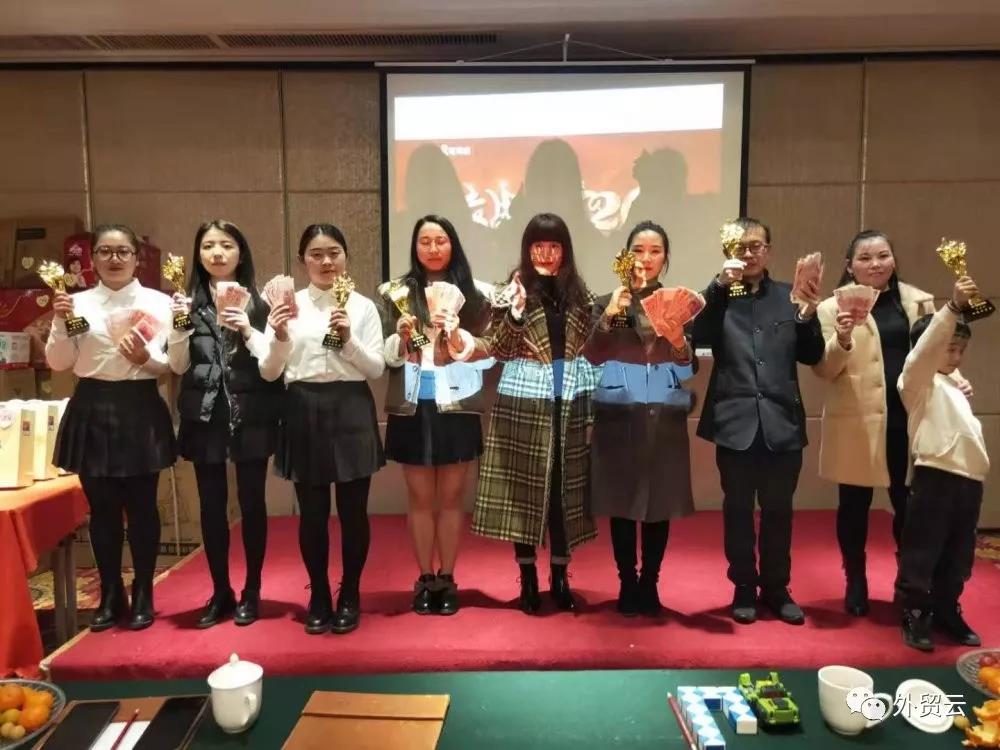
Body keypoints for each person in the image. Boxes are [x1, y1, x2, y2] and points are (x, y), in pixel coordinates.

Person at [453, 213, 601, 614]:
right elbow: (499, 348)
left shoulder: (581, 296)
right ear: (527, 249)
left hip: (571, 399)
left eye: (554, 246)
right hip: (524, 402)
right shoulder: (510, 292)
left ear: (565, 251)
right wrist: (517, 313)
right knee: (525, 491)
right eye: (538, 246)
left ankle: (560, 577)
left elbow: (594, 347)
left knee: (564, 493)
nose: (546, 254)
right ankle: (529, 577)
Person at [692, 217, 824, 625]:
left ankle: (777, 588)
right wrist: (718, 286)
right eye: (741, 246)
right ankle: (744, 587)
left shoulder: (790, 296)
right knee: (737, 511)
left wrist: (807, 315)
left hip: (782, 421)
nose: (748, 254)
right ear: (727, 249)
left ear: (768, 250)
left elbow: (812, 354)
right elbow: (699, 337)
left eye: (756, 246)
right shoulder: (717, 296)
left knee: (779, 511)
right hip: (735, 422)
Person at [46, 224, 179, 631]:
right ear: (92, 259)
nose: (114, 259)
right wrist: (60, 321)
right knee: (102, 510)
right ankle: (109, 592)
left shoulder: (161, 303)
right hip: (92, 404)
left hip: (140, 405)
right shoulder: (76, 303)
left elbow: (173, 365)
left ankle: (144, 592)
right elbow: (60, 362)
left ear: (138, 258)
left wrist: (144, 360)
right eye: (105, 251)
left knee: (142, 508)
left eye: (123, 251)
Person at [171, 220, 293, 628]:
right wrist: (177, 326)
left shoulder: (259, 304)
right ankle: (220, 590)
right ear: (198, 254)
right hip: (204, 415)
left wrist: (247, 328)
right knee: (211, 506)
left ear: (241, 253)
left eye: (226, 245)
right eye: (208, 245)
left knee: (252, 503)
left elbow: (273, 369)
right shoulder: (186, 305)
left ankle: (252, 590)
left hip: (251, 412)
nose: (217, 253)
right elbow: (177, 366)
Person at [813, 230, 937, 617]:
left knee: (910, 506)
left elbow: (937, 356)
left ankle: (910, 582)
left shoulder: (919, 302)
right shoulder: (831, 309)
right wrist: (842, 338)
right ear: (849, 266)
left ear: (894, 260)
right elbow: (824, 369)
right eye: (864, 258)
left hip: (909, 419)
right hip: (857, 419)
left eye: (883, 255)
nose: (875, 264)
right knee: (854, 505)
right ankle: (856, 579)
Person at [378, 215, 494, 615]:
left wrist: (459, 337)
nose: (432, 248)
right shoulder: (396, 293)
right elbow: (384, 356)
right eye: (424, 241)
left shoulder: (476, 295)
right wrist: (401, 338)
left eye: (440, 240)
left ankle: (447, 577)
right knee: (420, 497)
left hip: (457, 404)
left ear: (453, 244)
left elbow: (489, 354)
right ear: (415, 247)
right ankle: (425, 577)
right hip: (413, 404)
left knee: (451, 497)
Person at [273, 224, 386, 635]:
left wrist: (348, 338)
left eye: (334, 253)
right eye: (316, 254)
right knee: (313, 513)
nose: (326, 261)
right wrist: (278, 335)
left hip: (351, 405)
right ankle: (319, 593)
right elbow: (271, 369)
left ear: (346, 257)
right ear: (302, 260)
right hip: (303, 405)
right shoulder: (289, 306)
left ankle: (350, 592)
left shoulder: (363, 307)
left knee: (354, 512)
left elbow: (376, 368)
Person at [583, 220, 698, 617]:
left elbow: (687, 370)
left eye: (655, 251)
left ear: (665, 259)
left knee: (658, 504)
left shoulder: (679, 304)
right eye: (638, 250)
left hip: (663, 417)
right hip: (619, 416)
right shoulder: (606, 302)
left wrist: (679, 342)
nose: (645, 258)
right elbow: (592, 356)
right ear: (625, 256)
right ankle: (626, 581)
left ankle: (650, 581)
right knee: (622, 503)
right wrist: (609, 315)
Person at [896, 276, 988, 652]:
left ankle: (946, 608)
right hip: (935, 476)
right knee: (923, 549)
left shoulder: (956, 387)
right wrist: (950, 308)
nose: (956, 357)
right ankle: (915, 611)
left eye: (961, 350)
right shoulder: (916, 382)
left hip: (970, 480)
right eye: (949, 348)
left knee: (959, 552)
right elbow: (925, 352)